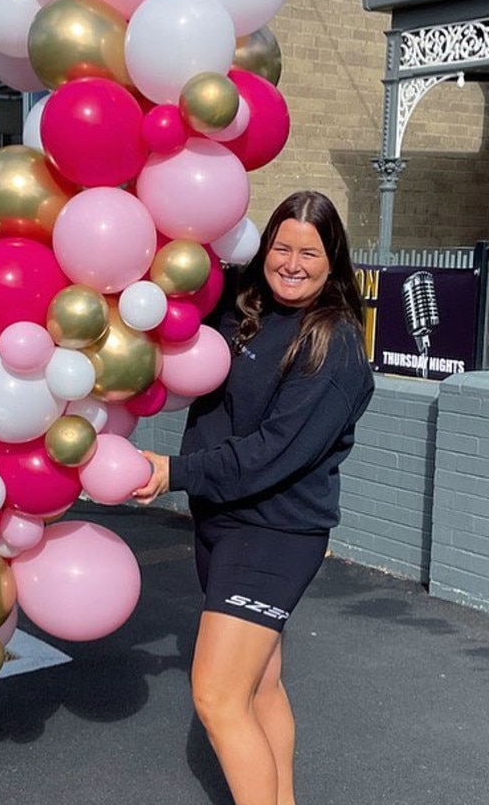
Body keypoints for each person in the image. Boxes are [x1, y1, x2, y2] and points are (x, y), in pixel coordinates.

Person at [133, 190, 374, 805]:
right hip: (223, 522)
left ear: (333, 260)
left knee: (216, 696)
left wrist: (174, 470)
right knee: (260, 688)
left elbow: (273, 451)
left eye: (309, 252)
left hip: (275, 533)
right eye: (281, 247)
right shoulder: (246, 309)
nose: (292, 263)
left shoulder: (334, 344)